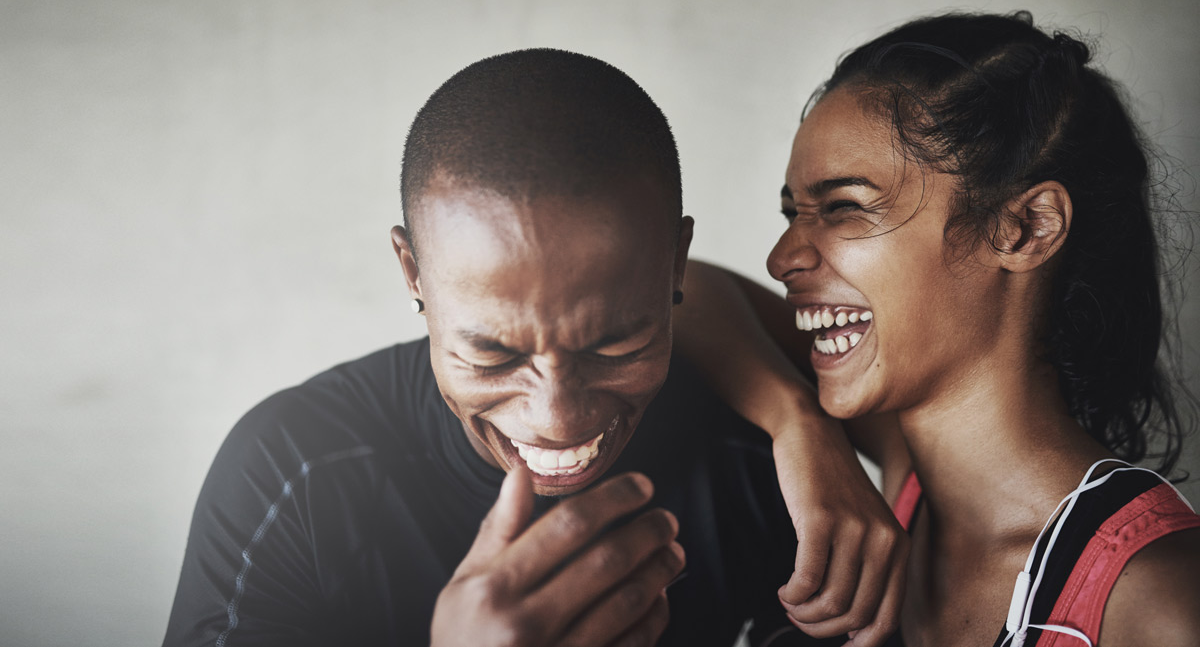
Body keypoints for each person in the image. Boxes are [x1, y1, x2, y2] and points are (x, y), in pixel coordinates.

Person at [161, 48, 905, 647]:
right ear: (413, 273)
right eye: (492, 355)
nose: (557, 416)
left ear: (674, 264)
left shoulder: (755, 459)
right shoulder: (291, 475)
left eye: (615, 344)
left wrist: (799, 422)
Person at [681, 11, 1200, 646]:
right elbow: (677, 291)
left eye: (843, 207)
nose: (782, 257)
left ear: (1025, 228)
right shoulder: (911, 489)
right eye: (794, 212)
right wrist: (799, 426)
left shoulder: (1155, 599)